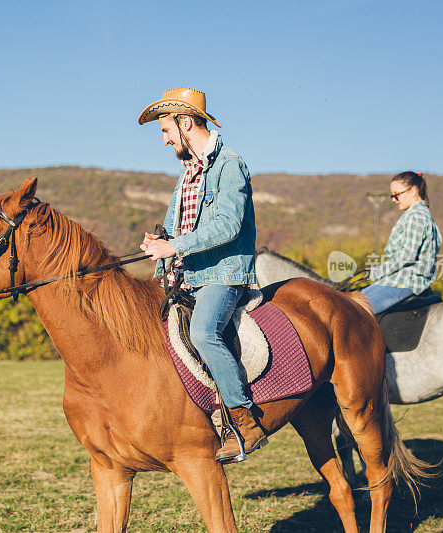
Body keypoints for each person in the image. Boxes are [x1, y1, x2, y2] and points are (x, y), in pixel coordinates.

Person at [137, 87, 266, 463]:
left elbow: (228, 224)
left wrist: (175, 247)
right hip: (187, 275)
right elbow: (174, 226)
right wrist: (159, 244)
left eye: (165, 132)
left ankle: (245, 422)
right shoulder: (187, 172)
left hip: (224, 275)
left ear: (186, 123)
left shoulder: (230, 164)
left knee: (203, 332)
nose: (164, 141)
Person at [362, 171, 442, 314]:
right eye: (392, 195)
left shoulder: (416, 216)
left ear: (413, 191)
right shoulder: (417, 214)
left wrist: (378, 272)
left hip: (404, 282)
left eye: (396, 194)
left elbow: (406, 256)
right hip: (396, 280)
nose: (394, 199)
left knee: (357, 311)